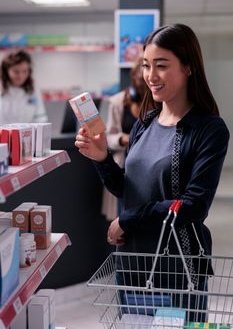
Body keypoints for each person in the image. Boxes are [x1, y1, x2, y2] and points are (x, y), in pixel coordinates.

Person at [75, 24, 230, 320]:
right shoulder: (144, 123)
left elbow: (193, 205)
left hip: (177, 267)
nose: (150, 76)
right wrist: (102, 158)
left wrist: (128, 219)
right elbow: (127, 188)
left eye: (161, 66)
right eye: (147, 65)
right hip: (133, 261)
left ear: (188, 68)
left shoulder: (208, 129)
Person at [101, 58, 147, 220]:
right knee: (123, 217)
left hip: (149, 170)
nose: (143, 84)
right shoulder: (118, 102)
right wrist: (123, 139)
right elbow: (109, 137)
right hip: (125, 168)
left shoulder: (159, 102)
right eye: (140, 78)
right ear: (133, 77)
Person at [0, 50, 47, 125]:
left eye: (25, 71)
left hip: (27, 135)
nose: (21, 76)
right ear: (6, 71)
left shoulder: (33, 90)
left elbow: (40, 117)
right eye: (16, 71)